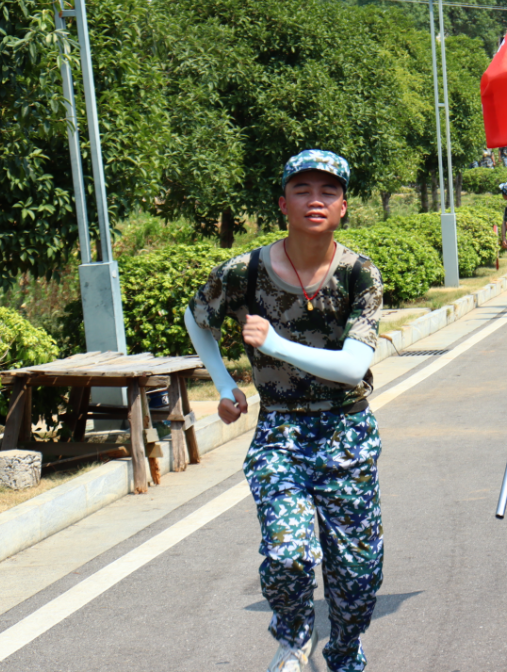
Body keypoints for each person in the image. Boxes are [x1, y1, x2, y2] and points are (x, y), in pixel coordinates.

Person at [184, 150, 384, 672]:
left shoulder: (359, 274)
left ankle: (344, 648)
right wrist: (226, 386)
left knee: (359, 575)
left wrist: (273, 343)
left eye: (327, 192)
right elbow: (196, 316)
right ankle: (294, 639)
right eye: (302, 190)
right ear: (282, 203)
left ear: (343, 206)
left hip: (347, 431)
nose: (315, 201)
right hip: (280, 434)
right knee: (286, 554)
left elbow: (352, 366)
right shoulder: (244, 271)